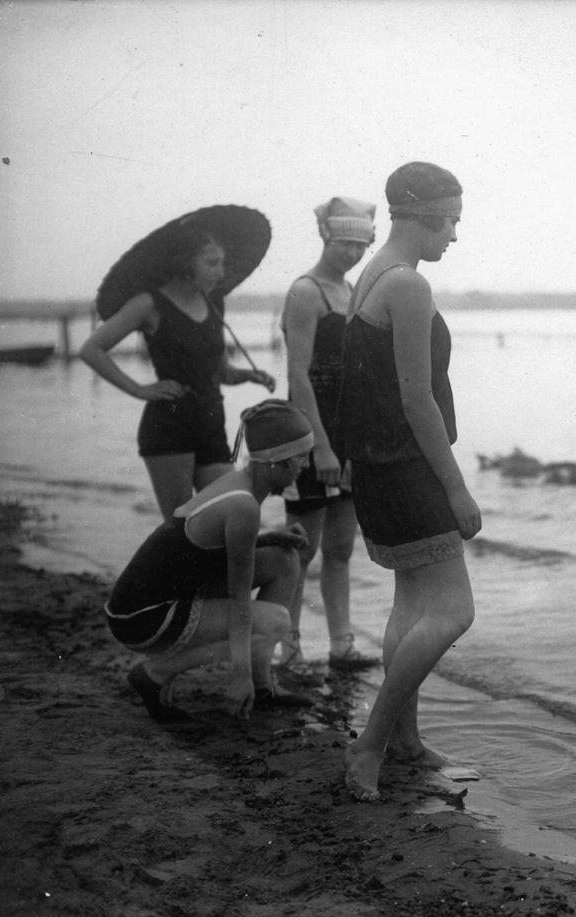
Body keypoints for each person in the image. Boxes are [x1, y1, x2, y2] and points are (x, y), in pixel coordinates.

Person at [331, 162, 482, 802]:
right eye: (450, 221)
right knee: (452, 611)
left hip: (375, 467)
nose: (453, 235)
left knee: (411, 608)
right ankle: (370, 744)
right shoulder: (409, 289)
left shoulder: (372, 276)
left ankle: (407, 743)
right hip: (410, 469)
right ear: (420, 216)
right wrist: (457, 489)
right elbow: (417, 400)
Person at [106, 399, 317, 723]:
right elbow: (239, 599)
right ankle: (155, 674)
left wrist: (271, 537)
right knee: (275, 621)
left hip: (142, 605)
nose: (304, 465)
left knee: (283, 560)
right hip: (142, 619)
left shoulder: (239, 485)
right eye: (299, 457)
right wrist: (238, 676)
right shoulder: (243, 506)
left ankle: (262, 687)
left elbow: (205, 555)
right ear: (273, 461)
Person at [80, 222, 276, 520]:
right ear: (185, 261)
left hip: (211, 422)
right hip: (169, 426)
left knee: (231, 516)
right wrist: (140, 389)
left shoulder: (214, 303)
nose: (221, 272)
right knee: (178, 528)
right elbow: (91, 349)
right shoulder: (149, 304)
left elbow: (221, 372)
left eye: (222, 263)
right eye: (212, 263)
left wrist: (248, 375)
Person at [276, 197, 382, 679]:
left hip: (349, 433)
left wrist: (355, 442)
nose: (352, 253)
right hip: (308, 430)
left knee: (340, 548)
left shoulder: (353, 291)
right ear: (325, 236)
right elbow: (298, 375)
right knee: (301, 548)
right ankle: (289, 649)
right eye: (344, 243)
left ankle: (341, 644)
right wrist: (317, 444)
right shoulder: (306, 291)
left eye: (361, 245)